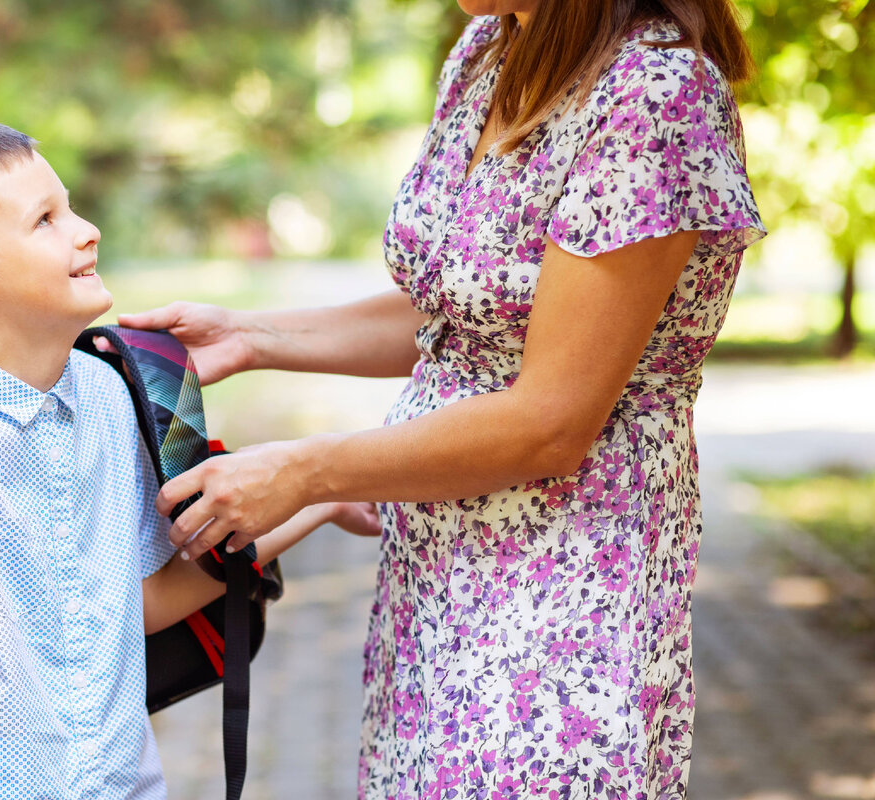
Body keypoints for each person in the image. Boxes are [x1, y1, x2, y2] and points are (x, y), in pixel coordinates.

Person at [119, 1, 766, 797]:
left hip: (564, 587)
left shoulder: (656, 95)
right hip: (435, 579)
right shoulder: (490, 50)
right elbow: (466, 311)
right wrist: (252, 337)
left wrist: (309, 473)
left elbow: (551, 421)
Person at [0, 123, 378, 800]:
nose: (87, 229)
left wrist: (320, 498)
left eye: (69, 206)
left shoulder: (109, 396)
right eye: (45, 220)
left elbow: (142, 602)